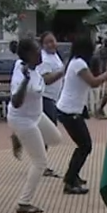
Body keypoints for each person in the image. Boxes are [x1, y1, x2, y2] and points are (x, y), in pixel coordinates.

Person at [57, 36, 107, 194]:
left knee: (83, 145)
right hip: (69, 111)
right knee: (85, 146)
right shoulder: (78, 63)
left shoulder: (76, 62)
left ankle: (73, 176)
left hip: (70, 110)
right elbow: (94, 82)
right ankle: (69, 182)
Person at [7, 38, 64, 213]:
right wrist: (24, 81)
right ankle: (24, 203)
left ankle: (19, 138)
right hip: (22, 120)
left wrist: (64, 70)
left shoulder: (28, 65)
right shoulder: (21, 75)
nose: (40, 53)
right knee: (40, 162)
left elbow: (45, 81)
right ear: (29, 55)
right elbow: (16, 102)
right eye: (37, 51)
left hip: (36, 116)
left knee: (56, 139)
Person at [39, 31, 66, 177]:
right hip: (45, 97)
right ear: (42, 45)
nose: (51, 44)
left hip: (54, 98)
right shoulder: (44, 59)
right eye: (47, 42)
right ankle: (40, 164)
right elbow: (47, 79)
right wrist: (63, 71)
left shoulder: (55, 55)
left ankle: (41, 162)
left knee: (47, 132)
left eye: (53, 41)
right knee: (47, 132)